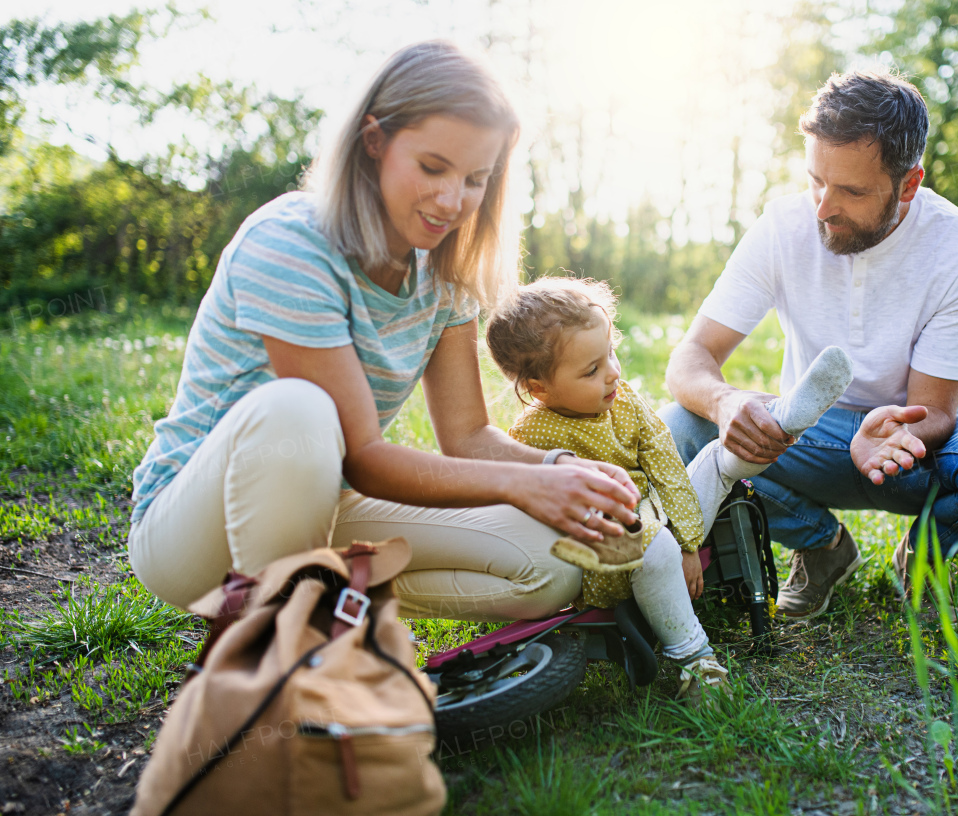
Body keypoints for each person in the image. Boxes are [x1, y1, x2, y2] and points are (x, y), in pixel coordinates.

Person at [127, 41, 642, 623]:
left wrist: (557, 470)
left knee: (552, 562)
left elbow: (469, 435)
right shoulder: (291, 243)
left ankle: (333, 599)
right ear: (373, 142)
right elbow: (366, 455)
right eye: (431, 167)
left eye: (476, 178)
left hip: (324, 507)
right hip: (194, 534)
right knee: (297, 409)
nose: (452, 201)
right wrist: (520, 487)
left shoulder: (445, 271)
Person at [661, 66, 958, 621]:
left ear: (909, 185)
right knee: (677, 430)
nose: (823, 206)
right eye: (815, 180)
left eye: (850, 190)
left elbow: (938, 408)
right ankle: (822, 547)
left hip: (919, 445)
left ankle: (925, 556)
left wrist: (897, 428)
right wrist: (726, 403)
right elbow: (691, 359)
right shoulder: (782, 225)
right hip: (804, 434)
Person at [484, 276, 854, 698]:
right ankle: (696, 660)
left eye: (610, 354)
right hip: (609, 551)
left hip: (663, 517)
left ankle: (782, 421)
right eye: (592, 370)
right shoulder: (533, 436)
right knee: (651, 542)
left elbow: (667, 467)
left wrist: (687, 543)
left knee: (717, 459)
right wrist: (665, 539)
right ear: (538, 388)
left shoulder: (623, 399)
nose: (612, 374)